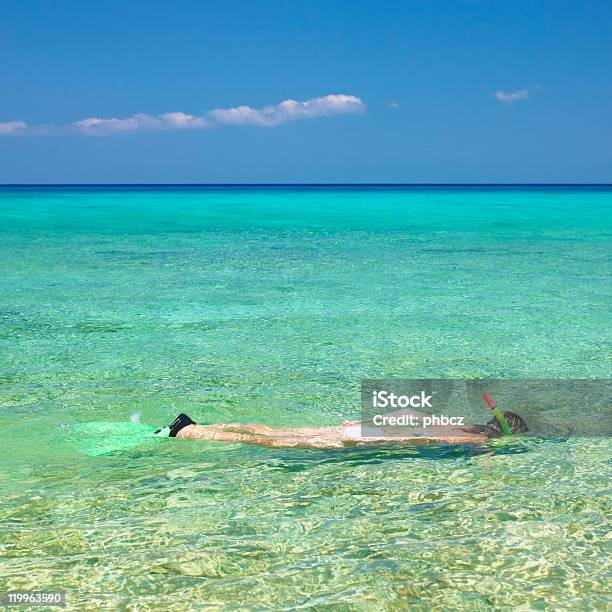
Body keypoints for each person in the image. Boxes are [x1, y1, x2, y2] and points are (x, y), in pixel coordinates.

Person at [155, 409, 528, 449]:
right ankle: (186, 433)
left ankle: (191, 423)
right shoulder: (475, 439)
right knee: (271, 442)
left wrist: (358, 423)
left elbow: (405, 415)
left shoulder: (459, 424)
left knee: (277, 430)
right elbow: (418, 435)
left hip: (354, 430)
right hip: (355, 443)